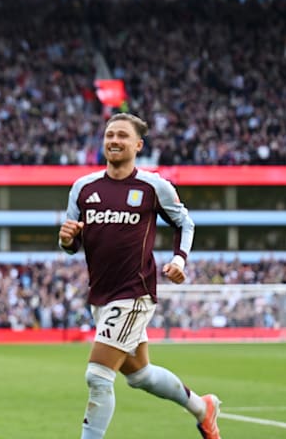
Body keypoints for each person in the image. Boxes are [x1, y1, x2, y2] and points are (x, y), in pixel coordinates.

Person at [58, 113, 221, 439]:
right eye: (109, 135)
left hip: (136, 291)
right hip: (101, 294)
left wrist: (180, 259)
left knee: (98, 375)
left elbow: (184, 223)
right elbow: (72, 244)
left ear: (138, 144)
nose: (114, 140)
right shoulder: (83, 188)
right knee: (140, 375)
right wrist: (66, 239)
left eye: (121, 135)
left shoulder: (152, 185)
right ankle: (203, 409)